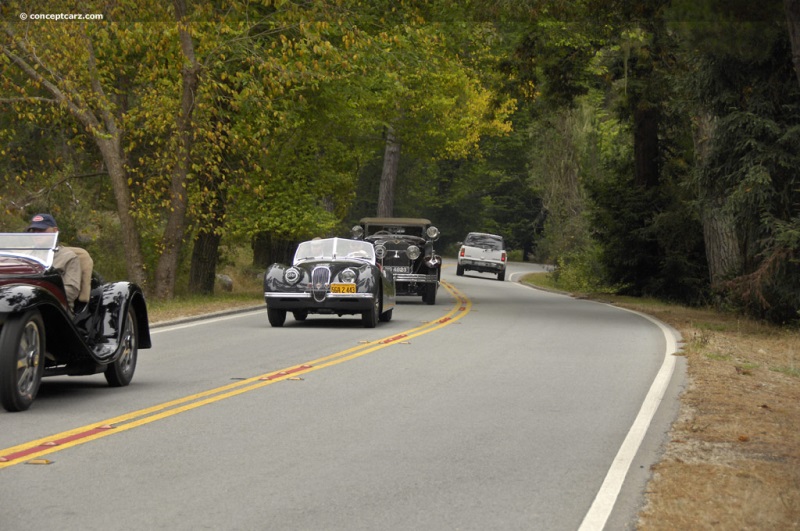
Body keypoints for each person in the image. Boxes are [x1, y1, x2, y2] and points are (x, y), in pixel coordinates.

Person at [26, 213, 83, 308]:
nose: (36, 234)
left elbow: (71, 292)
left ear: (55, 231)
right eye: (33, 230)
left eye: (41, 230)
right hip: (24, 305)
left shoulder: (69, 257)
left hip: (56, 309)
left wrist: (39, 296)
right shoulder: (25, 256)